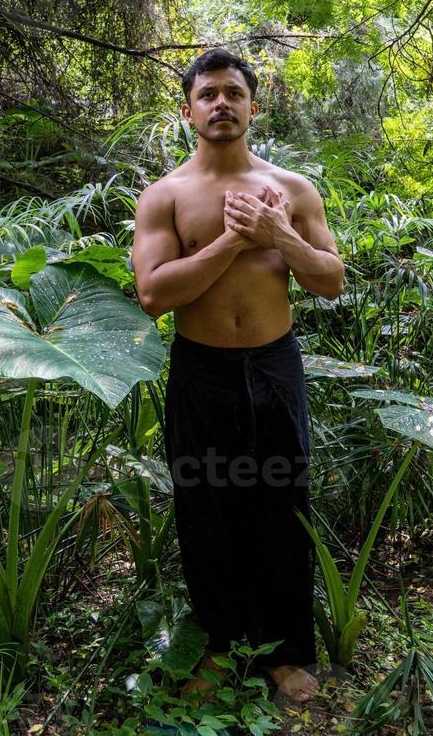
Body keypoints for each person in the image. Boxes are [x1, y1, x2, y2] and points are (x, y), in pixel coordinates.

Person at [132, 48, 344, 704]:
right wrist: (233, 239)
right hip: (201, 372)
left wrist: (279, 233)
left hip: (273, 367)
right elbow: (154, 294)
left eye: (233, 92)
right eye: (208, 94)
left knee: (280, 507)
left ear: (255, 106)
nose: (221, 103)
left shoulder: (293, 190)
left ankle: (286, 653)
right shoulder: (165, 196)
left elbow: (331, 280)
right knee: (206, 509)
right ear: (188, 109)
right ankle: (221, 649)